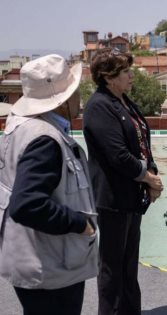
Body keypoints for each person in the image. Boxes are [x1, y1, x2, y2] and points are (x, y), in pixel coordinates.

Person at [0, 54, 98, 315]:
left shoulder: (21, 128)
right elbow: (27, 204)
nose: (79, 98)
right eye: (75, 91)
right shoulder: (45, 140)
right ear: (62, 101)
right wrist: (79, 223)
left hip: (32, 259)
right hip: (50, 265)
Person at [83, 48, 163, 315]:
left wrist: (150, 173)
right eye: (126, 72)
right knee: (112, 268)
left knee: (128, 264)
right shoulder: (98, 106)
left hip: (130, 197)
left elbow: (141, 140)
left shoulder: (124, 101)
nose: (132, 76)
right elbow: (118, 155)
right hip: (113, 199)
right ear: (108, 77)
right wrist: (150, 179)